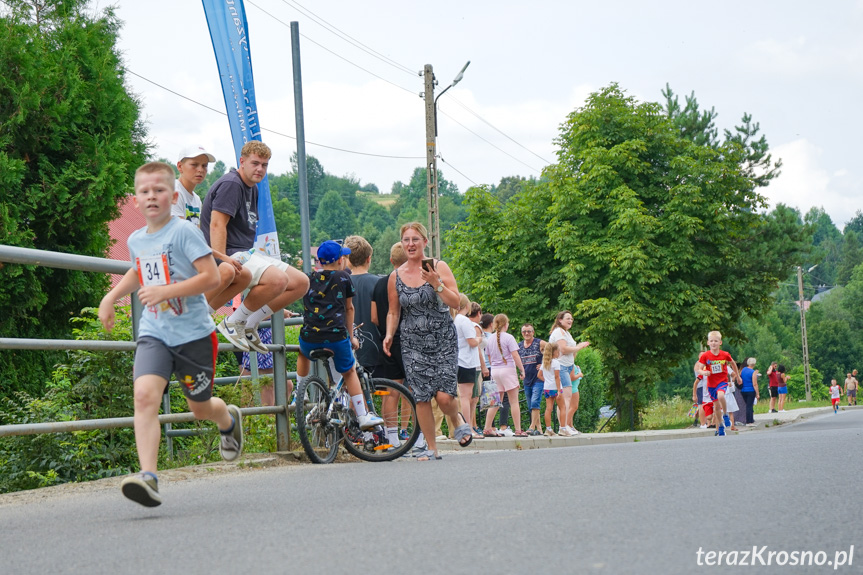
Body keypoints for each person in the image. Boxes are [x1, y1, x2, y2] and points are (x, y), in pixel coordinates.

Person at [98, 162, 243, 507]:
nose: (152, 197)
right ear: (136, 200)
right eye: (145, 192)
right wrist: (111, 296)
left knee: (200, 408)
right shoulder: (136, 239)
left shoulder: (184, 232)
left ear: (173, 195)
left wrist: (166, 292)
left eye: (159, 191)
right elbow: (138, 270)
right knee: (144, 396)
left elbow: (212, 277)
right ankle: (148, 476)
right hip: (154, 332)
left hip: (193, 334)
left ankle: (227, 419)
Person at [200, 141, 309, 354]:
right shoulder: (232, 183)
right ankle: (233, 322)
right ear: (242, 161)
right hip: (231, 253)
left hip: (246, 252)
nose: (260, 169)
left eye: (265, 165)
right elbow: (217, 225)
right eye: (255, 163)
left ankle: (249, 324)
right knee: (278, 279)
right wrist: (222, 263)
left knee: (301, 282)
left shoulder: (253, 189)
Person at [382, 222, 473, 460]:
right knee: (421, 396)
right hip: (412, 342)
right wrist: (390, 334)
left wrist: (436, 283)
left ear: (425, 241)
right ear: (402, 244)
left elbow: (456, 302)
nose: (410, 244)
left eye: (415, 239)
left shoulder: (439, 266)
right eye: (406, 240)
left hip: (442, 338)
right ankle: (431, 448)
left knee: (444, 397)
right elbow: (393, 312)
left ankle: (456, 418)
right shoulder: (395, 276)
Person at [296, 240, 384, 431]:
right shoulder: (343, 277)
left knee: (302, 352)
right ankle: (362, 416)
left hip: (310, 337)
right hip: (336, 336)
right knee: (349, 371)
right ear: (340, 260)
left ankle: (299, 391)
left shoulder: (308, 278)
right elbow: (349, 308)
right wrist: (351, 336)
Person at [173, 145, 252, 312]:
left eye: (204, 166)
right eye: (194, 165)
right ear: (180, 166)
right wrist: (223, 257)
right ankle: (191, 315)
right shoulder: (173, 191)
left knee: (244, 275)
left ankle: (202, 314)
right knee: (226, 269)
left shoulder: (195, 199)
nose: (200, 170)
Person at [371, 242, 411, 446]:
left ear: (390, 260)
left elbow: (374, 317)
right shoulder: (410, 280)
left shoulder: (380, 283)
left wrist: (386, 332)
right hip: (410, 340)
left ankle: (391, 435)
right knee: (413, 391)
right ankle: (415, 435)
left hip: (386, 340)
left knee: (390, 392)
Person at [343, 235, 383, 373]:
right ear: (368, 258)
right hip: (376, 349)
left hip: (348, 348)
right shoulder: (379, 283)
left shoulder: (341, 283)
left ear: (347, 261)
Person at [484, 314, 528, 437]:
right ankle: (518, 430)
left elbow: (489, 357)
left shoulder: (490, 338)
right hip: (507, 369)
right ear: (505, 324)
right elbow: (515, 355)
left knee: (495, 402)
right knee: (514, 401)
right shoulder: (509, 338)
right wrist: (522, 370)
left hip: (495, 371)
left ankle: (487, 428)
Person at [548, 310, 590, 436]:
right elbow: (564, 349)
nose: (570, 321)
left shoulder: (566, 333)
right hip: (560, 367)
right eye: (567, 318)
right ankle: (563, 427)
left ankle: (565, 425)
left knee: (566, 397)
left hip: (567, 366)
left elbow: (570, 352)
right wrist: (580, 347)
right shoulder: (559, 332)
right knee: (565, 397)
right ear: (560, 320)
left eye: (571, 319)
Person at [694, 330, 740, 437]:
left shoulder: (725, 354)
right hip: (711, 385)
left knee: (721, 395)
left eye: (716, 341)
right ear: (708, 343)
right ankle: (720, 427)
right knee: (716, 407)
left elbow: (733, 363)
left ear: (720, 342)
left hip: (722, 381)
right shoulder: (705, 356)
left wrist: (737, 376)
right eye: (711, 341)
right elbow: (699, 369)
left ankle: (725, 415)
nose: (713, 343)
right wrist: (704, 372)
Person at [453, 293, 483, 439]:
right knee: (466, 397)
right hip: (467, 361)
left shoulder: (454, 319)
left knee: (463, 396)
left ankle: (465, 428)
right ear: (467, 306)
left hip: (458, 360)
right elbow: (472, 342)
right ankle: (468, 428)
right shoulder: (464, 321)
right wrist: (479, 339)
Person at [518, 323, 546, 435]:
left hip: (538, 378)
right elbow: (516, 360)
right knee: (531, 406)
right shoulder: (519, 346)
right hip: (527, 379)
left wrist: (544, 364)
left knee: (535, 402)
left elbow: (553, 351)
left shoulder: (539, 343)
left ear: (533, 332)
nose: (526, 333)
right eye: (524, 331)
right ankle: (539, 429)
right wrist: (520, 372)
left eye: (529, 331)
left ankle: (531, 427)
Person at [540, 342, 565, 436]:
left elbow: (539, 375)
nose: (559, 353)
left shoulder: (545, 362)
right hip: (555, 388)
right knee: (562, 407)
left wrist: (546, 381)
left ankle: (548, 429)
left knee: (548, 409)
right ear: (554, 352)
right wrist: (559, 390)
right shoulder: (556, 362)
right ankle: (562, 428)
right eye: (558, 351)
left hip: (547, 388)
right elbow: (557, 377)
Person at [739, 357, 760, 426]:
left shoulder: (743, 370)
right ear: (754, 364)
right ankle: (749, 421)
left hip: (743, 390)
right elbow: (755, 383)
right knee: (749, 406)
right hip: (750, 390)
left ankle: (750, 420)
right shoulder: (753, 372)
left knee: (747, 405)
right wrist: (757, 393)